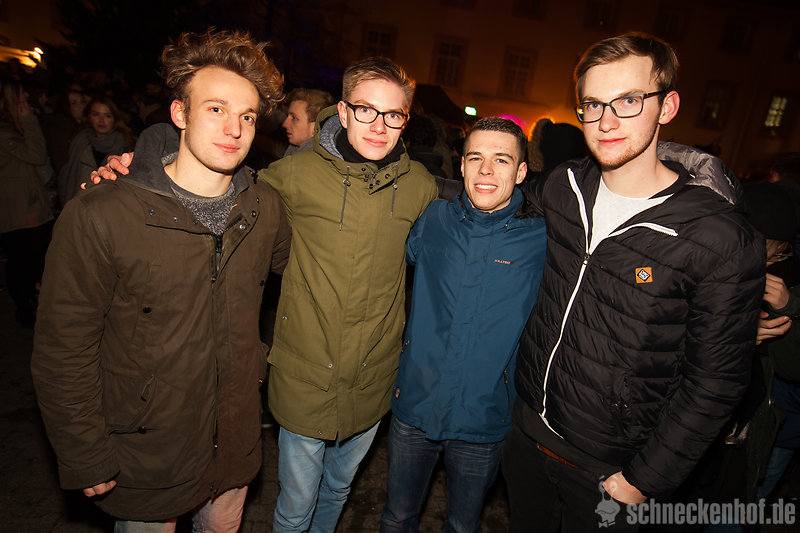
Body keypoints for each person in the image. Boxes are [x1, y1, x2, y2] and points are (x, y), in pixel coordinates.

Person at [90, 56, 439, 533]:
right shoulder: (293, 176)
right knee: (295, 506)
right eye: (366, 109)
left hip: (373, 378)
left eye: (393, 114)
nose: (379, 125)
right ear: (342, 110)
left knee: (338, 489)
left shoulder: (419, 186)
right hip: (305, 373)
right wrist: (145, 167)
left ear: (406, 120)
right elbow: (215, 185)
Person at [502, 32, 765, 532]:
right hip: (527, 438)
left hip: (611, 473)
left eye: (628, 101)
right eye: (593, 104)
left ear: (667, 106)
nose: (606, 122)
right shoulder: (565, 186)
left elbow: (715, 382)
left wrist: (644, 480)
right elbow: (499, 208)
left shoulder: (719, 239)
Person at [31, 30, 290, 530]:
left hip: (234, 445)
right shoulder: (103, 213)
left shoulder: (265, 209)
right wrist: (84, 452)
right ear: (180, 113)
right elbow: (64, 347)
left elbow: (308, 273)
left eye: (247, 116)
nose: (233, 128)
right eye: (216, 108)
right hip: (147, 452)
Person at [380, 117, 547, 532]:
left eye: (501, 160)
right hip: (415, 402)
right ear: (461, 165)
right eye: (475, 158)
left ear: (521, 172)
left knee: (462, 525)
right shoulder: (434, 219)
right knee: (397, 517)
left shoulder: (541, 239)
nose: (486, 170)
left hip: (483, 415)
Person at [0, 75, 54, 328]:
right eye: (21, 93)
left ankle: (30, 302)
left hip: (28, 206)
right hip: (19, 211)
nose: (26, 97)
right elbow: (36, 154)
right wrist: (29, 120)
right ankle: (25, 307)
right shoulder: (5, 132)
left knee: (30, 258)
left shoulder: (13, 129)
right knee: (22, 260)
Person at [58, 96, 133, 206]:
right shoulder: (80, 140)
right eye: (96, 114)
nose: (101, 120)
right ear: (89, 117)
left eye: (107, 116)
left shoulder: (125, 145)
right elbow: (68, 174)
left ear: (115, 119)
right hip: (78, 201)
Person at [280, 87, 334, 156]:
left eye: (294, 118)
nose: (285, 124)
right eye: (287, 116)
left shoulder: (311, 159)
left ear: (315, 127)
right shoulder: (294, 151)